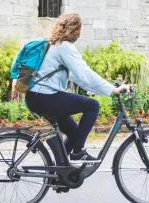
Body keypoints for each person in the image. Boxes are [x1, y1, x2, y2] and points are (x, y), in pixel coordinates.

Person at [25, 12, 131, 163]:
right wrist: (111, 89)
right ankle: (78, 152)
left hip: (36, 97)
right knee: (92, 106)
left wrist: (105, 87)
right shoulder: (64, 46)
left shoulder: (54, 45)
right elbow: (84, 73)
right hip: (44, 96)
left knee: (75, 134)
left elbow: (76, 76)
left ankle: (59, 172)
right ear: (76, 30)